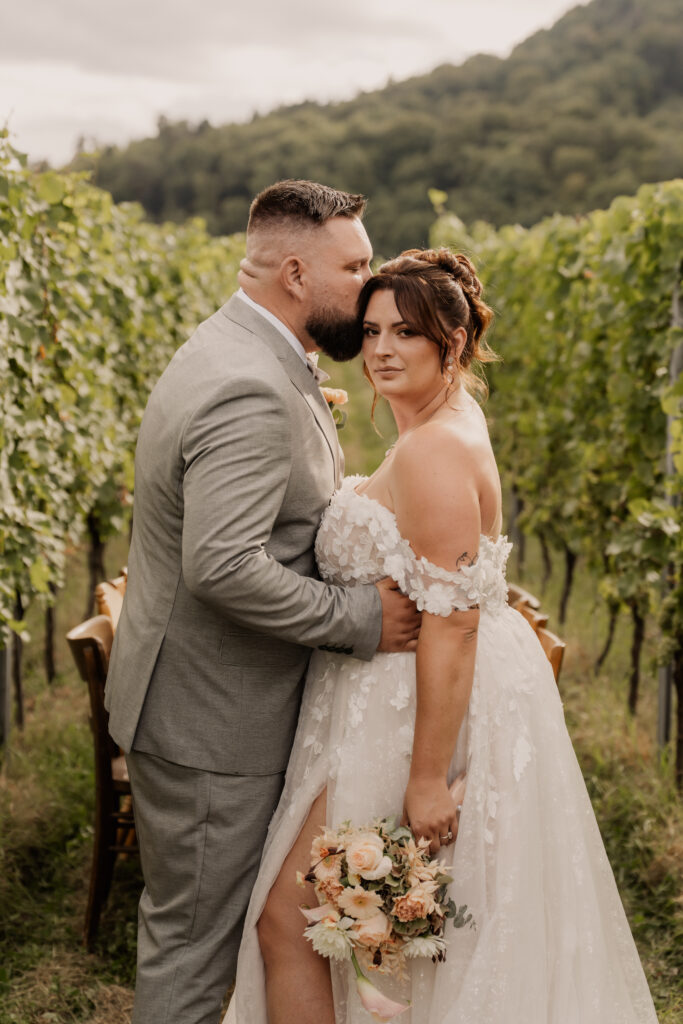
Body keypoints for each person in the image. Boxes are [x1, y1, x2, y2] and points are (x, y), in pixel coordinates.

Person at [225, 248, 659, 1023]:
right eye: (373, 330)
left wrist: (428, 779)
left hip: (411, 701)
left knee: (300, 922)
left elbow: (452, 624)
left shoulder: (432, 448)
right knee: (367, 934)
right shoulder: (442, 422)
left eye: (407, 333)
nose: (383, 349)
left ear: (451, 345)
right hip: (396, 687)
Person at [104, 180, 420, 1024]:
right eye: (354, 267)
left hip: (208, 703)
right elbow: (224, 565)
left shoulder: (239, 348)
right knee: (194, 950)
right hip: (211, 720)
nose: (369, 280)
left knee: (213, 936)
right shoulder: (248, 383)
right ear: (293, 271)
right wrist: (360, 619)